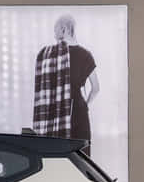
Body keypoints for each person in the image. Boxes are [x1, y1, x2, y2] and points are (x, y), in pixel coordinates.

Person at [32, 14, 99, 154]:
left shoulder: (48, 54)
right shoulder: (86, 54)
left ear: (63, 29)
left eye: (55, 29)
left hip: (55, 110)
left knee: (58, 154)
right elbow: (96, 88)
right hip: (79, 110)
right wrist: (85, 104)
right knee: (81, 155)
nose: (54, 33)